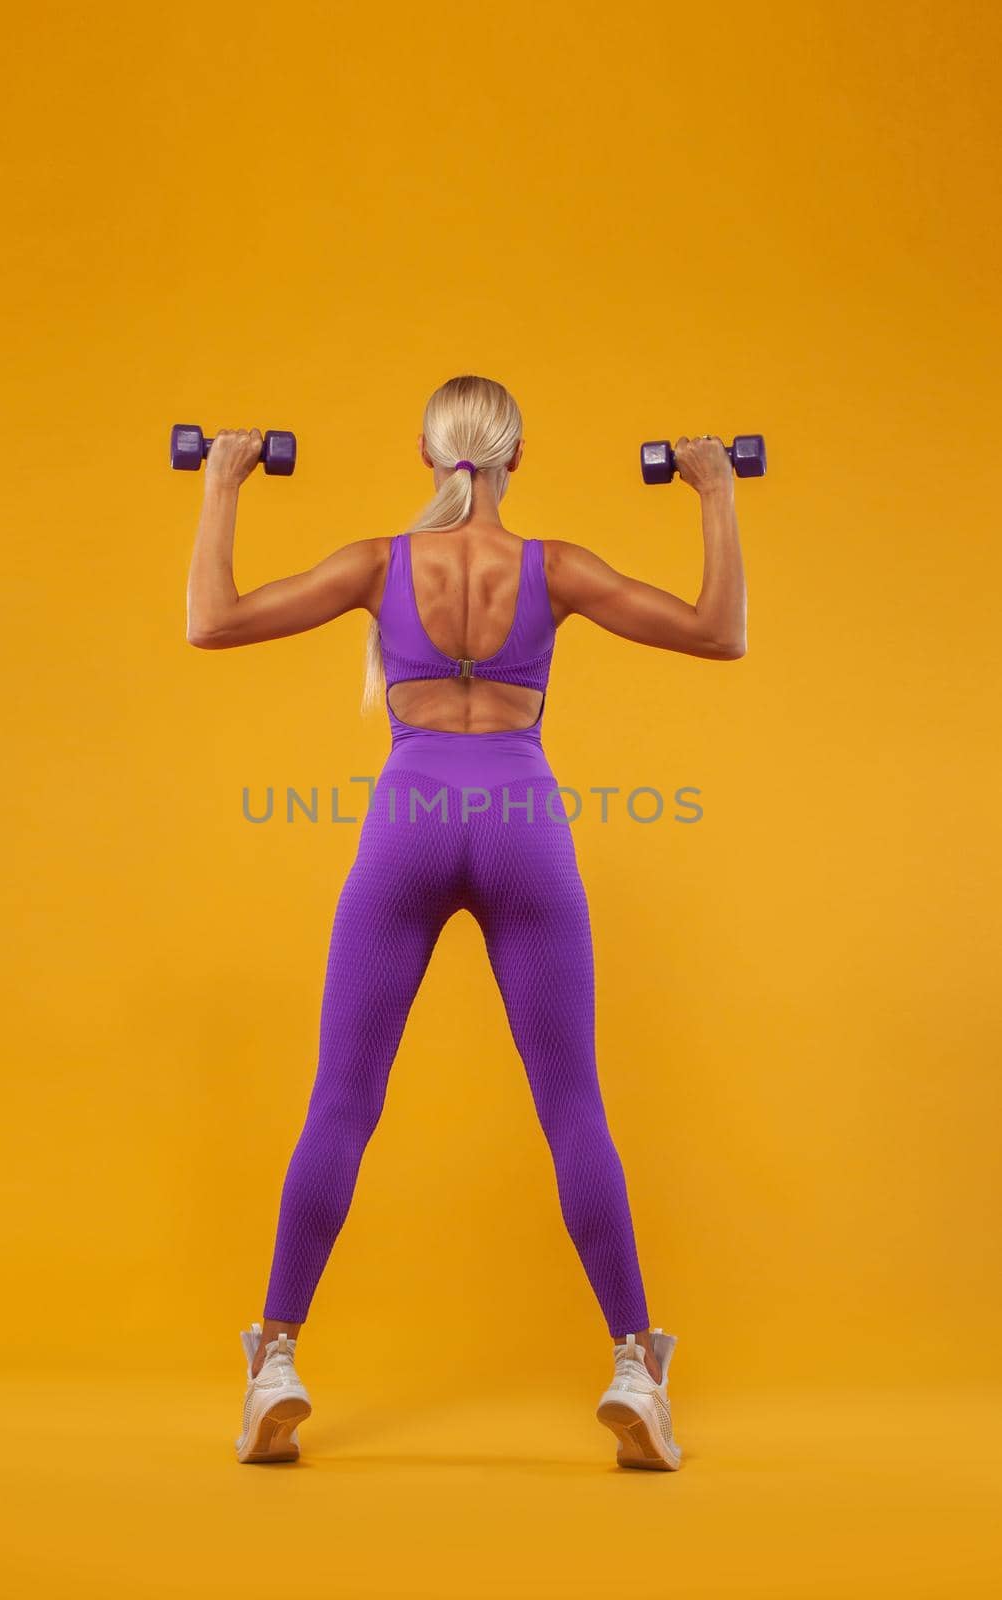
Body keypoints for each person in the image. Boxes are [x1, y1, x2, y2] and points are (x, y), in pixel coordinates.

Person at [185, 374, 747, 1470]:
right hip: (522, 820)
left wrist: (221, 483)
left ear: (423, 454)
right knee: (572, 1105)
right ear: (514, 461)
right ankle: (635, 1361)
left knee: (342, 1098)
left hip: (407, 818)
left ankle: (275, 1361)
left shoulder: (376, 564)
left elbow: (211, 620)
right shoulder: (555, 569)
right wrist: (714, 492)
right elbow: (715, 632)